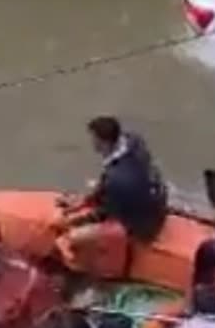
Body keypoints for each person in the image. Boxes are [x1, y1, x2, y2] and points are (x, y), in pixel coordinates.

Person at [56, 116, 169, 278]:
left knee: (72, 238)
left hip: (143, 225)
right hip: (156, 201)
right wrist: (87, 198)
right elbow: (111, 181)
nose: (92, 144)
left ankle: (100, 274)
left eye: (94, 140)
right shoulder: (134, 142)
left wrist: (75, 218)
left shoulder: (118, 180)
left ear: (104, 143)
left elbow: (107, 213)